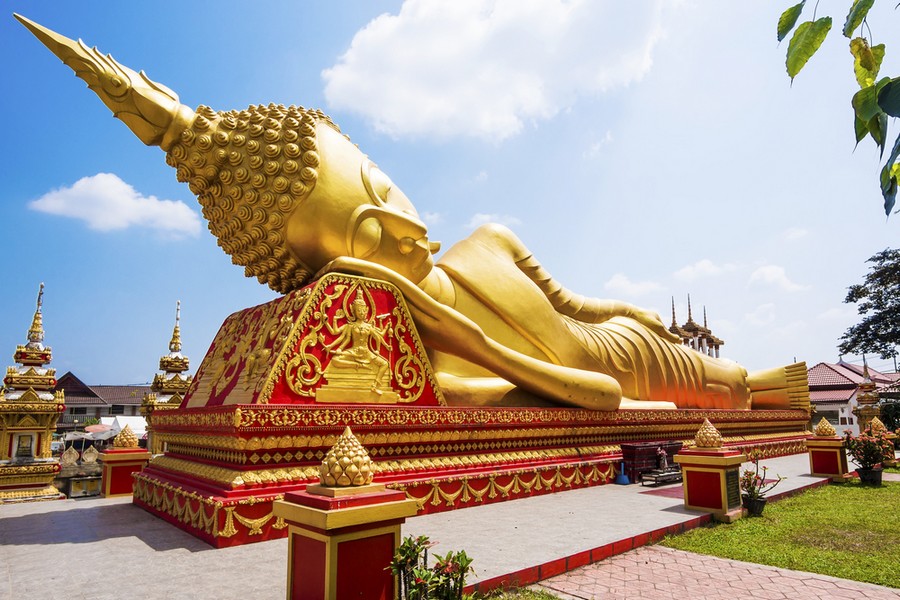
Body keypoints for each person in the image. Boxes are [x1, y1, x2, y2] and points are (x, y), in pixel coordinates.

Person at [21, 15, 805, 412]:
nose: (405, 229)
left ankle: (762, 386)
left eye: (384, 190)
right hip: (606, 377)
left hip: (632, 343)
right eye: (369, 236)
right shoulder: (433, 362)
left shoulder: (487, 238)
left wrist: (640, 315)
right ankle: (757, 388)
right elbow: (592, 396)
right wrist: (455, 332)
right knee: (729, 386)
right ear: (340, 273)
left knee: (718, 375)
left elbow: (578, 307)